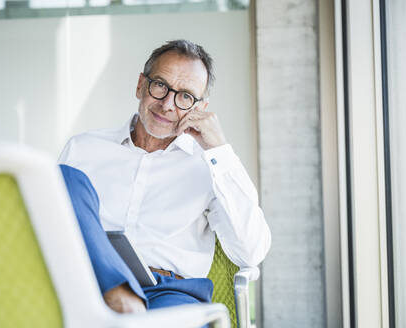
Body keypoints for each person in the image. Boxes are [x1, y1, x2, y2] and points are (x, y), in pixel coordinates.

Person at [58, 39, 271, 313]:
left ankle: (124, 305)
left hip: (169, 294)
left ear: (200, 107)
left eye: (185, 96)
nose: (168, 104)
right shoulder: (83, 148)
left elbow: (250, 252)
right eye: (160, 86)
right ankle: (120, 294)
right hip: (90, 287)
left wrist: (219, 150)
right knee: (65, 178)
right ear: (140, 86)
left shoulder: (210, 165)